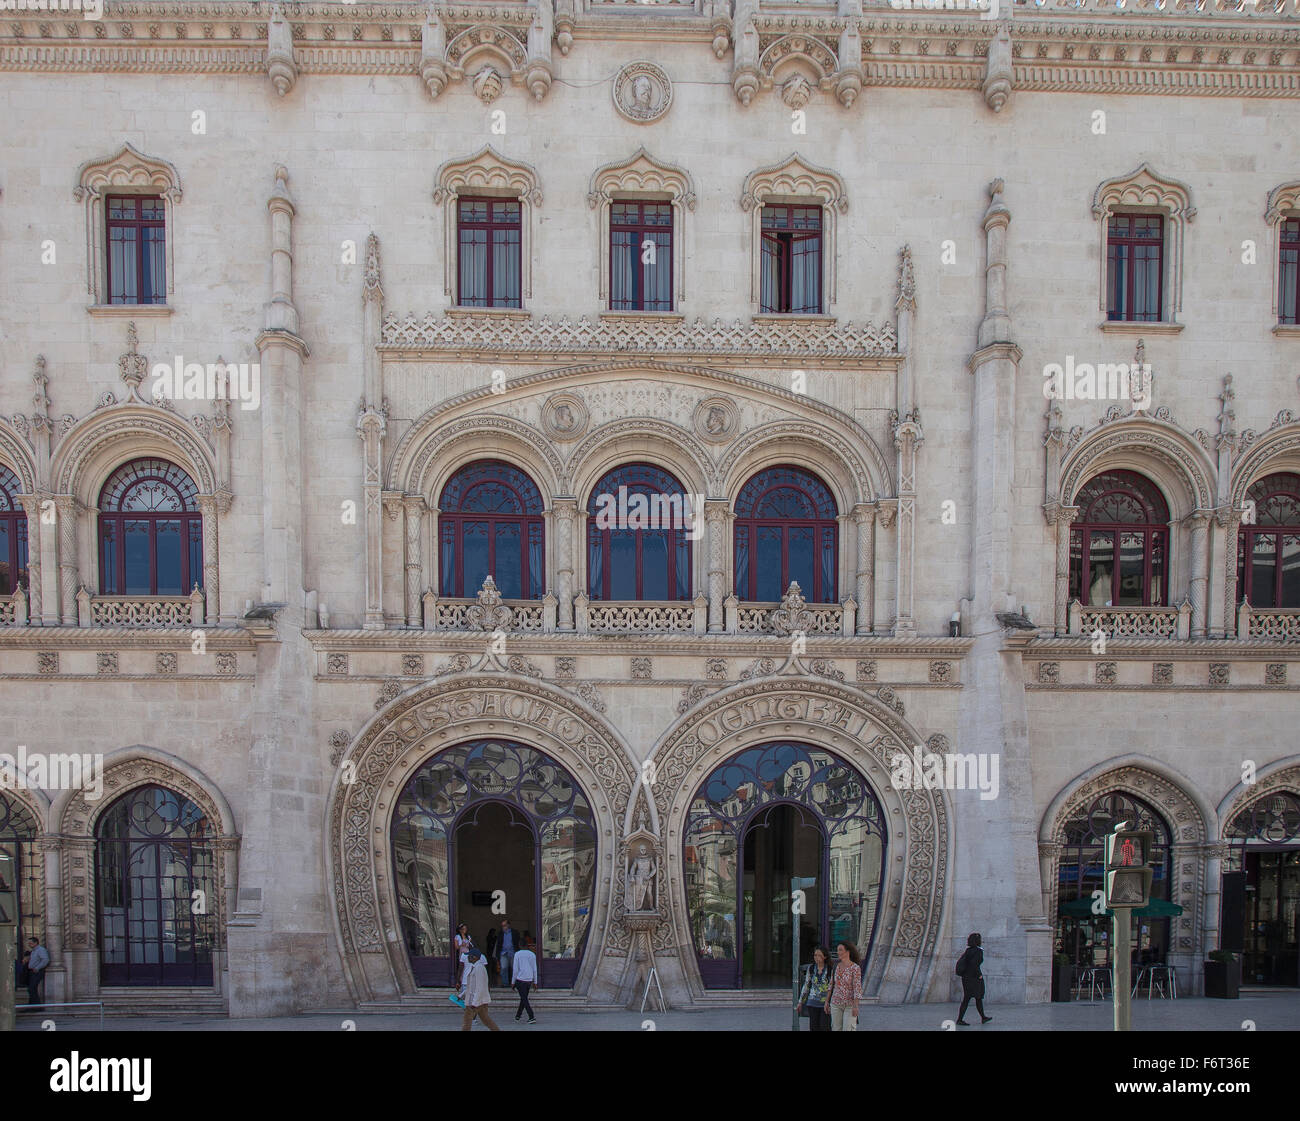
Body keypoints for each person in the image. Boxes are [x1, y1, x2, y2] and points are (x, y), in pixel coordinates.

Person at [955, 932, 992, 1025]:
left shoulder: (968, 950)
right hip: (974, 978)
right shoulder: (978, 951)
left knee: (970, 998)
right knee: (975, 998)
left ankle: (982, 1017)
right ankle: (960, 1019)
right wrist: (979, 974)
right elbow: (974, 964)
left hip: (966, 978)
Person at [460, 949, 499, 1031]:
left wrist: (474, 1003)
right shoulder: (476, 967)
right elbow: (471, 985)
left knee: (467, 1021)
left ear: (475, 957)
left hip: (476, 1001)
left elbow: (480, 987)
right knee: (486, 1020)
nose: (467, 958)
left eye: (469, 956)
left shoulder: (479, 968)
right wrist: (462, 995)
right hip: (480, 1000)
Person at [796, 945, 833, 1032]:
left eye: (819, 955)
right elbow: (807, 985)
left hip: (825, 1004)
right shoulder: (811, 968)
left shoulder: (830, 969)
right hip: (812, 1002)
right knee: (814, 1027)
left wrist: (830, 1002)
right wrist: (800, 1002)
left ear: (825, 957)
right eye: (815, 955)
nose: (816, 957)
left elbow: (831, 987)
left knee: (825, 1027)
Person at [827, 941, 861, 1031]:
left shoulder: (855, 968)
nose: (838, 952)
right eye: (837, 950)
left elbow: (857, 988)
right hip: (835, 1003)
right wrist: (827, 1002)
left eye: (840, 950)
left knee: (848, 1029)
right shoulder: (836, 966)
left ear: (848, 951)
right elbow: (831, 985)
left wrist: (856, 1006)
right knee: (836, 1029)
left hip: (849, 1005)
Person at [512, 936, 539, 1024]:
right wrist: (535, 982)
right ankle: (518, 1015)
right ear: (527, 945)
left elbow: (515, 970)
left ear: (519, 945)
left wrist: (513, 982)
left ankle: (531, 1016)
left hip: (520, 979)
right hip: (529, 980)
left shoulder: (517, 954)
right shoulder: (532, 954)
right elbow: (535, 969)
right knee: (524, 998)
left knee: (524, 999)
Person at [25, 936, 49, 1010]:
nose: (29, 945)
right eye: (29, 943)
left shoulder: (40, 950)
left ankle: (37, 1007)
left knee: (32, 988)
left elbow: (45, 960)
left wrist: (37, 968)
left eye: (31, 943)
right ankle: (32, 1006)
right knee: (31, 989)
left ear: (36, 943)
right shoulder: (34, 951)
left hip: (37, 971)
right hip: (32, 971)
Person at [452, 923, 473, 1005]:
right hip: (461, 953)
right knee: (462, 968)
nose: (465, 930)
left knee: (468, 968)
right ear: (460, 930)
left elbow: (471, 945)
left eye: (466, 929)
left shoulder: (468, 937)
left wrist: (468, 945)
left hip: (468, 952)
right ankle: (460, 982)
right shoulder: (457, 937)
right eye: (463, 929)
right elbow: (456, 947)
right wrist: (462, 944)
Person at [497, 919, 518, 986]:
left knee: (514, 968)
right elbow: (498, 944)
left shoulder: (514, 932)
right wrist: (497, 954)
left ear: (508, 925)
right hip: (503, 953)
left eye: (505, 925)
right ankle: (505, 983)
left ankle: (514, 983)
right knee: (503, 968)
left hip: (512, 952)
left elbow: (517, 942)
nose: (503, 927)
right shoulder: (500, 933)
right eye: (502, 926)